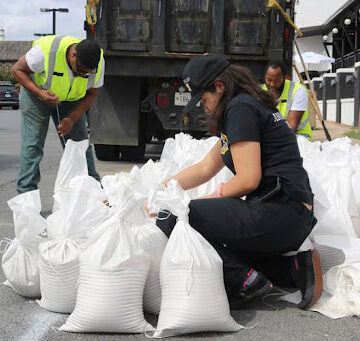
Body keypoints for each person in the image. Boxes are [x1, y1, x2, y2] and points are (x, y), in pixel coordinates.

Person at [150, 55, 322, 309]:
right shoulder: (248, 105)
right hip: (291, 214)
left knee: (173, 217)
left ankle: (244, 281)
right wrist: (160, 190)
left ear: (219, 87)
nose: (202, 107)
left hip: (279, 211)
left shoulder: (240, 109)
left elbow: (247, 180)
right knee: (222, 247)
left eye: (204, 99)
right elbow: (206, 167)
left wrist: (183, 205)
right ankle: (293, 269)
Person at [11, 35, 105, 193]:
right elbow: (16, 70)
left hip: (72, 99)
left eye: (87, 73)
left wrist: (72, 118)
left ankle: (93, 190)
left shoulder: (98, 61)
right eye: (80, 70)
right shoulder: (45, 52)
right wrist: (40, 93)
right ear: (73, 55)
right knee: (33, 144)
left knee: (79, 144)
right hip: (36, 93)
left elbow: (92, 94)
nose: (83, 75)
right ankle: (25, 194)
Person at [263, 61, 313, 140]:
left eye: (277, 81)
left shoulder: (298, 90)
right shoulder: (260, 91)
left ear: (284, 78)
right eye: (269, 80)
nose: (272, 84)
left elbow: (291, 128)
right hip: (271, 136)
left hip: (299, 135)